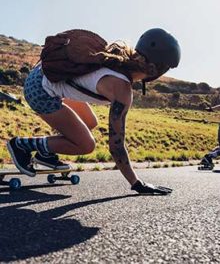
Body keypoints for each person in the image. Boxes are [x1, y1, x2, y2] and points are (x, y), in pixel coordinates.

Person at [7, 28, 181, 194]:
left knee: (91, 122)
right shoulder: (122, 89)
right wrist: (137, 183)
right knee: (86, 144)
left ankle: (46, 153)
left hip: (45, 75)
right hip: (39, 91)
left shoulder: (117, 61)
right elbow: (116, 146)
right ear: (156, 69)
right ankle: (21, 145)